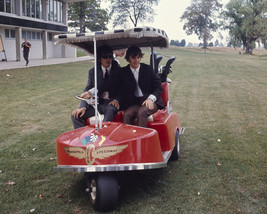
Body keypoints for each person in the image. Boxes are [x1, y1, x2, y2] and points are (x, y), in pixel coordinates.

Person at [71, 45, 120, 129]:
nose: (108, 59)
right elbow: (87, 88)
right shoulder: (93, 72)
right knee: (75, 116)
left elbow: (119, 88)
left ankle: (102, 136)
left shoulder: (117, 71)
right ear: (99, 59)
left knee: (110, 110)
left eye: (110, 56)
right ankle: (84, 139)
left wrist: (117, 100)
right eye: (105, 56)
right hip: (97, 103)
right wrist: (83, 107)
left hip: (110, 103)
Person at [118, 46, 164, 127]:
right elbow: (119, 89)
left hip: (151, 101)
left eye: (138, 57)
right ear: (128, 58)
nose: (137, 60)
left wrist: (150, 99)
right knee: (127, 115)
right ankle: (129, 138)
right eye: (133, 58)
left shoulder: (148, 69)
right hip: (136, 103)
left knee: (142, 112)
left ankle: (142, 139)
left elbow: (158, 87)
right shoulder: (123, 72)